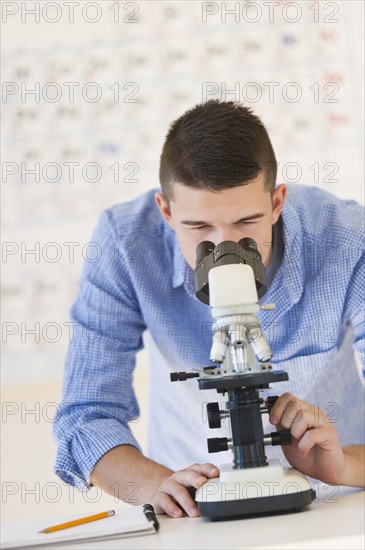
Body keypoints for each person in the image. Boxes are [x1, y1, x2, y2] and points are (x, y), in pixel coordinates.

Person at [53, 100, 365, 518]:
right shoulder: (126, 243)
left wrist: (344, 465)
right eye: (199, 227)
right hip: (189, 505)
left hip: (339, 497)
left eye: (246, 223)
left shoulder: (346, 237)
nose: (224, 249)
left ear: (277, 203)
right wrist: (157, 486)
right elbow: (84, 418)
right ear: (166, 211)